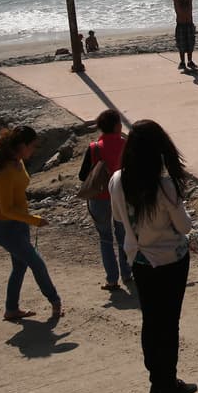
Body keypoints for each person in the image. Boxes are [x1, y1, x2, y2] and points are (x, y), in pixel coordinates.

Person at [110, 119, 197, 393]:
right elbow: (184, 227)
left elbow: (117, 218)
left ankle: (156, 379)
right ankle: (168, 380)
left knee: (151, 320)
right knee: (169, 322)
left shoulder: (117, 180)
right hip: (170, 259)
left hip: (140, 259)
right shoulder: (165, 186)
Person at [0, 126, 62, 324]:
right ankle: (55, 301)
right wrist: (34, 220)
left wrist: (27, 219)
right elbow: (5, 210)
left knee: (20, 267)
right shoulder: (3, 171)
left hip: (19, 224)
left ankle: (11, 309)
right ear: (21, 146)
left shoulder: (17, 161)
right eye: (32, 146)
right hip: (5, 227)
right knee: (36, 262)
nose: (33, 151)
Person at [79, 109, 131, 291]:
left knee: (105, 238)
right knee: (123, 235)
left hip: (99, 198)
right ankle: (127, 273)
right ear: (117, 126)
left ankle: (111, 279)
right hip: (121, 197)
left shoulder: (94, 148)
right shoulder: (125, 144)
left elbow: (82, 176)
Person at [168, 0, 198, 71]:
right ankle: (182, 62)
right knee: (181, 44)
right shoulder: (177, 0)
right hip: (180, 26)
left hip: (189, 25)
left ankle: (190, 61)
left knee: (190, 44)